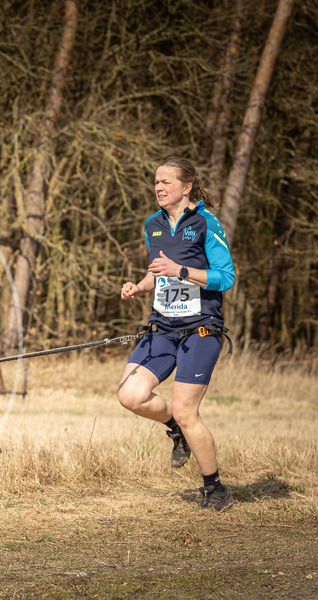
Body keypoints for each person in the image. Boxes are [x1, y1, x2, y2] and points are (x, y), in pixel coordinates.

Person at [118, 157, 236, 510]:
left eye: (166, 182)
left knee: (187, 410)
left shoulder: (206, 224)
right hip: (163, 327)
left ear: (186, 188)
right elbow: (158, 272)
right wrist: (139, 286)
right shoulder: (152, 225)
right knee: (131, 395)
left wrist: (182, 270)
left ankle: (215, 489)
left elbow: (225, 277)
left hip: (200, 330)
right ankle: (176, 432)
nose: (158, 187)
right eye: (156, 182)